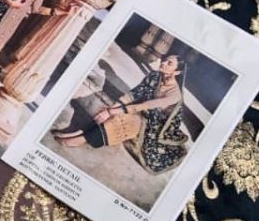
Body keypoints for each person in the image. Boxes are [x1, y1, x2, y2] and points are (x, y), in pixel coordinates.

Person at [52, 53, 190, 172]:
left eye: (169, 63)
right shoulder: (155, 76)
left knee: (123, 121)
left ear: (176, 72)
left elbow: (146, 105)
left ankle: (82, 139)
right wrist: (111, 108)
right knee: (107, 111)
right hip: (140, 111)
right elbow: (134, 94)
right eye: (165, 60)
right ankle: (79, 131)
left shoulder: (174, 95)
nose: (163, 63)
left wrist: (115, 111)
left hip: (153, 126)